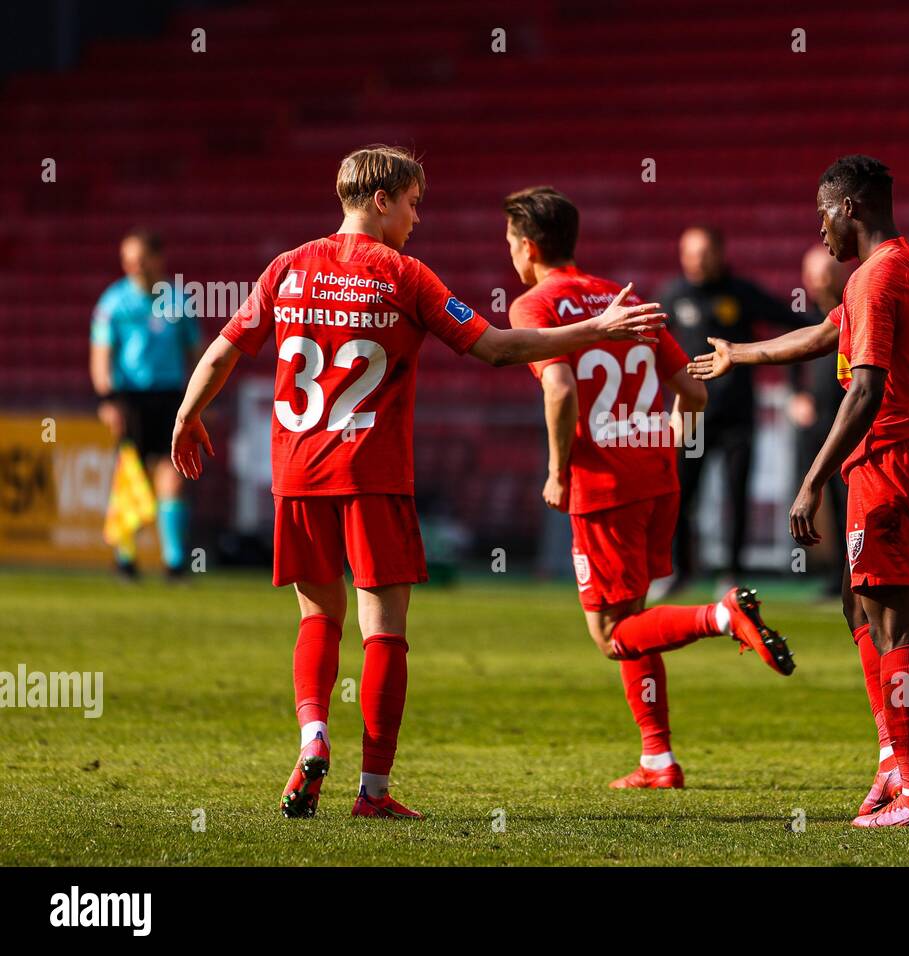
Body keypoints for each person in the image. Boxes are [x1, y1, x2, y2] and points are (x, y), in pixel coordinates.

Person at [170, 146, 668, 820]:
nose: (417, 218)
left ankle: (313, 732)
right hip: (372, 475)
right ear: (381, 199)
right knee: (385, 631)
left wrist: (188, 414)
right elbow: (495, 347)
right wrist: (594, 329)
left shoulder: (286, 268)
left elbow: (227, 349)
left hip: (296, 475)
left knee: (318, 616)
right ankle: (372, 792)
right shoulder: (405, 275)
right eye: (412, 203)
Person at [690, 155, 909, 827]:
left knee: (893, 624)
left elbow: (864, 389)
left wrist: (811, 482)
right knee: (854, 604)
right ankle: (893, 760)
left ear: (852, 209)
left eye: (822, 214)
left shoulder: (874, 276)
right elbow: (822, 335)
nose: (820, 230)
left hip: (892, 460)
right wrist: (738, 356)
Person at [503, 186, 794, 790]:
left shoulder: (533, 306)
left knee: (612, 635)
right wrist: (660, 443)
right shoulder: (625, 299)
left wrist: (557, 471)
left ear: (528, 247)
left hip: (603, 484)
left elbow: (559, 390)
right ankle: (658, 759)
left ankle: (722, 615)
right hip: (657, 474)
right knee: (634, 617)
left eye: (510, 243)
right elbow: (693, 392)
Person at [657, 226, 798, 592]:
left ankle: (732, 576)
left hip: (737, 415)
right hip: (693, 418)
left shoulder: (742, 293)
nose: (695, 261)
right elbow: (650, 346)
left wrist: (827, 320)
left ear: (719, 253)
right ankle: (678, 571)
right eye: (689, 253)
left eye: (702, 253)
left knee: (737, 496)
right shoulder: (673, 296)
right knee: (681, 495)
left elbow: (792, 324)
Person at [90, 228, 200, 580]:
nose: (132, 265)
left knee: (174, 475)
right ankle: (126, 557)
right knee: (131, 477)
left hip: (170, 397)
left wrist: (200, 399)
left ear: (157, 258)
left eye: (139, 258)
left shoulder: (179, 301)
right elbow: (101, 356)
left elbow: (198, 352)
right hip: (130, 400)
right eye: (127, 259)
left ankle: (174, 561)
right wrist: (108, 400)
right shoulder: (113, 303)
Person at [789, 246, 853, 596]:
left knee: (848, 499)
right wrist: (794, 397)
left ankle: (851, 570)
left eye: (824, 274)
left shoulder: (852, 311)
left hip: (846, 422)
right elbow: (790, 360)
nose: (818, 282)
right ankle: (826, 569)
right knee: (821, 499)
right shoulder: (802, 315)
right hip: (815, 424)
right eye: (813, 275)